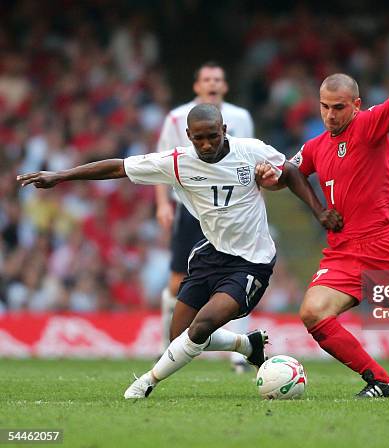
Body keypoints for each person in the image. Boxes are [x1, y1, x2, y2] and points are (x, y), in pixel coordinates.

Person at [17, 104, 342, 399]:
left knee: (201, 328)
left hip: (251, 262)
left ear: (224, 130)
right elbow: (119, 167)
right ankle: (247, 344)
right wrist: (61, 176)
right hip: (211, 255)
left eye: (212, 136)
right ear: (188, 136)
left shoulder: (251, 151)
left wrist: (318, 211)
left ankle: (146, 382)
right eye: (198, 138)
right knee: (182, 336)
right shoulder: (177, 162)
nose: (205, 144)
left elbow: (291, 173)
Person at [257, 36, 389, 397]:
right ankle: (381, 380)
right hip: (343, 251)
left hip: (385, 248)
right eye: (325, 107)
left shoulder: (369, 125)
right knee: (313, 313)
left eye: (338, 107)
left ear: (356, 105)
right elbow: (290, 173)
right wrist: (272, 177)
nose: (330, 115)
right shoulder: (314, 145)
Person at [156, 61, 256, 372]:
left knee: (239, 273)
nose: (212, 84)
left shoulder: (240, 118)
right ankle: (168, 346)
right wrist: (162, 205)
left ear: (224, 86)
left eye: (218, 79)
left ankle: (240, 354)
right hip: (191, 208)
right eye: (207, 79)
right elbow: (160, 164)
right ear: (197, 86)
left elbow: (251, 164)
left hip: (231, 210)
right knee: (176, 284)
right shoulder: (175, 118)